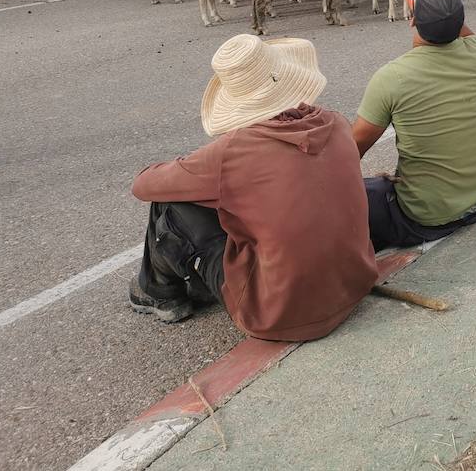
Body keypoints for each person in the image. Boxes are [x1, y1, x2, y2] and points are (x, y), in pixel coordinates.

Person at [129, 35, 378, 339]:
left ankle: (159, 292)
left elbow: (144, 185)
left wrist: (197, 167)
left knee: (169, 205)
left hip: (279, 315)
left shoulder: (235, 151)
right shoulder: (336, 123)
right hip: (355, 285)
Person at [350, 0, 476, 250]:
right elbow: (461, 28)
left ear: (412, 20)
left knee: (363, 194)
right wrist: (439, 5)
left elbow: (351, 150)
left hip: (426, 218)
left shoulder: (391, 78)